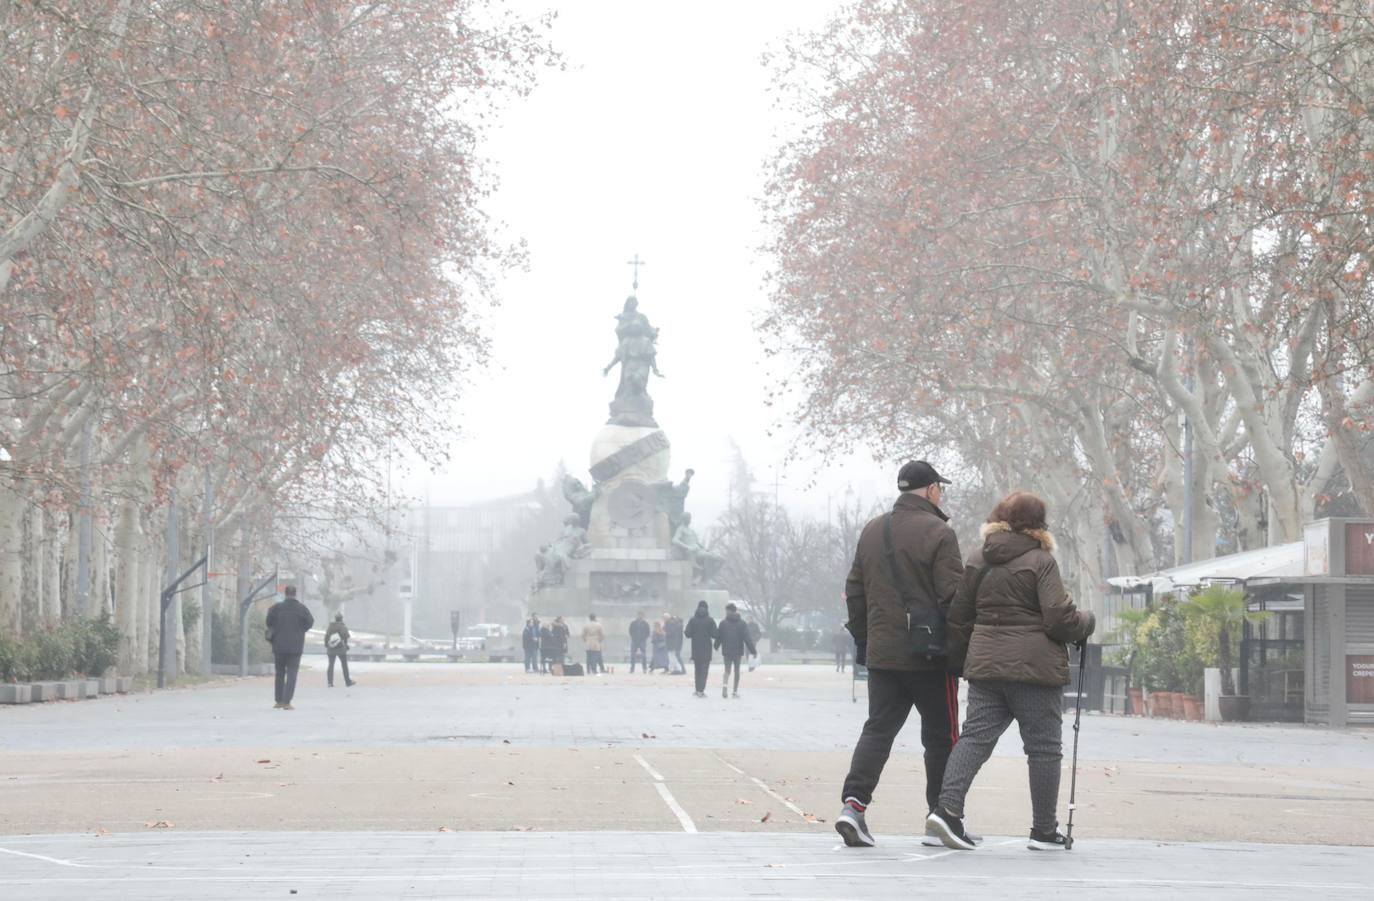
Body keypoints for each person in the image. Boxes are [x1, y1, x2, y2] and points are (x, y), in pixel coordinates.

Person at [927, 492, 1096, 852]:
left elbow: (960, 615)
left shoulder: (977, 558)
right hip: (1034, 670)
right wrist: (1085, 622)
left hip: (986, 666)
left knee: (974, 739)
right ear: (1039, 524)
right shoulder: (1041, 561)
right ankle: (1044, 831)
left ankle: (946, 810)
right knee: (1044, 749)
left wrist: (963, 661)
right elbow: (1057, 617)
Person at [835, 460, 965, 849]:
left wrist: (865, 640)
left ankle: (853, 807)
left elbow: (854, 591)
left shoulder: (872, 530)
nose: (941, 493)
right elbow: (953, 599)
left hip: (883, 653)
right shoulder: (940, 532)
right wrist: (961, 652)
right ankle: (941, 816)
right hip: (930, 656)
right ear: (929, 491)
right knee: (942, 737)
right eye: (939, 488)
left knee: (878, 729)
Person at [265, 585, 314, 710]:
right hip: (295, 646)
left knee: (280, 673)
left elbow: (269, 622)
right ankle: (287, 702)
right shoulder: (302, 609)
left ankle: (279, 700)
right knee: (292, 673)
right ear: (295, 594)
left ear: (285, 593)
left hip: (279, 646)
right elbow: (310, 622)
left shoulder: (276, 608)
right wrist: (300, 630)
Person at [714, 602, 756, 698]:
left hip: (727, 650)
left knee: (727, 670)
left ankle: (725, 686)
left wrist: (716, 646)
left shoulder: (723, 623)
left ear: (729, 611)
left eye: (726, 611)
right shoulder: (742, 623)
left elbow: (719, 636)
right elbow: (747, 638)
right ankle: (735, 691)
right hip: (737, 651)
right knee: (737, 671)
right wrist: (753, 651)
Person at [684, 600, 718, 697]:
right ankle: (701, 691)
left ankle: (697, 689)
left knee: (697, 670)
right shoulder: (710, 620)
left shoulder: (692, 620)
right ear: (707, 609)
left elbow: (687, 634)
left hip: (695, 649)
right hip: (707, 649)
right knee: (704, 671)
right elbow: (715, 634)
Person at [324, 613, 356, 688]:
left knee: (331, 665)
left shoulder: (330, 626)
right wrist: (346, 645)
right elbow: (346, 636)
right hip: (341, 649)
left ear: (335, 619)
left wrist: (326, 644)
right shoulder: (342, 626)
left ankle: (330, 683)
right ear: (341, 618)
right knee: (344, 665)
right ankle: (347, 681)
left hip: (331, 648)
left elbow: (326, 636)